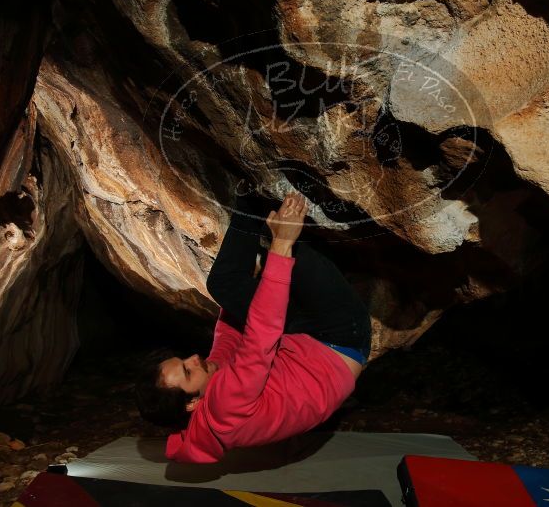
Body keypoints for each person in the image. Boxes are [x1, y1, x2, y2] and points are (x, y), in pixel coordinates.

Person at [134, 190, 372, 463]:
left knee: (223, 285)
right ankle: (293, 199)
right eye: (188, 371)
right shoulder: (224, 407)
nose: (193, 359)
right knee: (290, 247)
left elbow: (229, 339)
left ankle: (250, 195)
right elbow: (260, 336)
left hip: (304, 341)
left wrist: (247, 287)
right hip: (342, 337)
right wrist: (280, 246)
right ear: (192, 404)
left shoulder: (208, 388)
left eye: (182, 360)